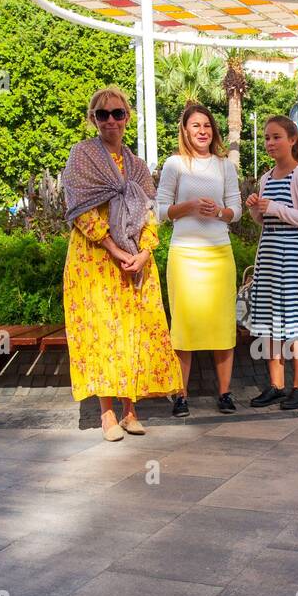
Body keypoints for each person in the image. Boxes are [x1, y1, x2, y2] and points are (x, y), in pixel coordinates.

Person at [62, 85, 183, 440]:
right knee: (103, 332)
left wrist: (144, 253)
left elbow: (149, 213)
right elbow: (80, 212)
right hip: (96, 259)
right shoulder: (82, 157)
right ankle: (107, 415)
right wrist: (116, 250)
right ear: (93, 119)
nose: (110, 121)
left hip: (136, 259)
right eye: (102, 114)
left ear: (127, 118)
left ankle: (132, 410)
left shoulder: (137, 165)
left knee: (136, 331)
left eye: (117, 114)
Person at [155, 103, 243, 418]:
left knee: (222, 327)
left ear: (213, 130)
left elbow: (237, 210)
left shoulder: (224, 166)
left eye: (206, 125)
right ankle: (180, 395)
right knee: (184, 327)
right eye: (195, 125)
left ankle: (225, 394)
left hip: (219, 254)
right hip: (185, 256)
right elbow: (160, 211)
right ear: (185, 130)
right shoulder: (174, 164)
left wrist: (218, 212)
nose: (202, 131)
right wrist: (189, 206)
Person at [245, 115, 298, 411]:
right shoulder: (266, 178)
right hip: (268, 257)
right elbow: (264, 221)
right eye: (266, 137)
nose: (269, 143)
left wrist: (276, 207)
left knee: (297, 323)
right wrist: (257, 209)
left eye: (276, 136)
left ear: (292, 140)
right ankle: (276, 386)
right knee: (269, 322)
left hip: (294, 261)